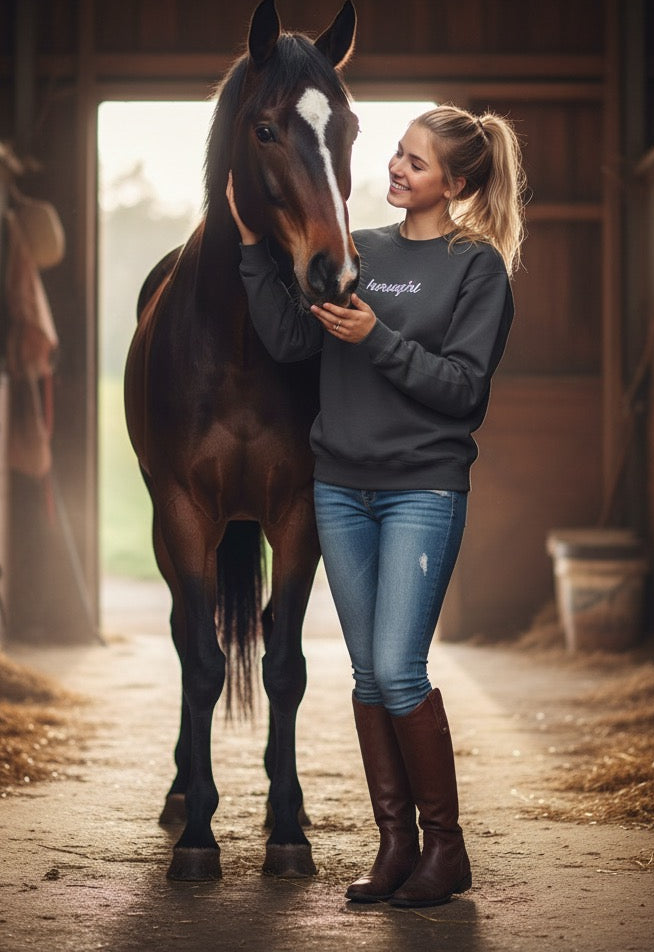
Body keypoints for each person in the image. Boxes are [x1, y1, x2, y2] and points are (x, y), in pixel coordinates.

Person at [227, 104, 525, 908]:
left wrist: (376, 339)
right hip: (340, 488)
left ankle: (446, 848)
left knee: (398, 669)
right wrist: (255, 251)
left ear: (455, 184)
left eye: (417, 163)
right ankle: (395, 845)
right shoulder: (361, 250)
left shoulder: (477, 268)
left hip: (421, 491)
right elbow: (294, 342)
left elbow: (463, 391)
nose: (396, 168)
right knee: (365, 676)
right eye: (397, 153)